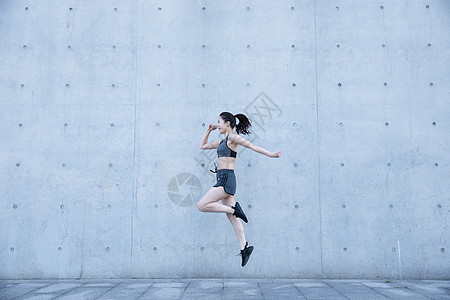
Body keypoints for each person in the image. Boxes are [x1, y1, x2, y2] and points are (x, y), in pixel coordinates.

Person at [197, 112, 282, 267]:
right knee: (232, 218)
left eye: (219, 122)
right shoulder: (222, 141)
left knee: (202, 205)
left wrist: (271, 154)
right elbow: (202, 145)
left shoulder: (232, 138)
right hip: (223, 178)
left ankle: (235, 209)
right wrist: (208, 130)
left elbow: (252, 146)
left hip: (226, 179)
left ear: (227, 123)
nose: (218, 126)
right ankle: (244, 248)